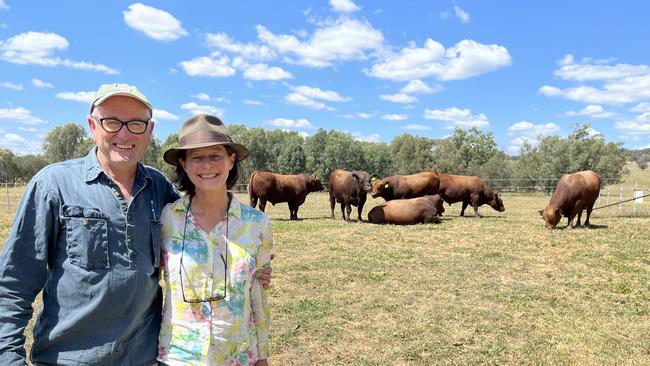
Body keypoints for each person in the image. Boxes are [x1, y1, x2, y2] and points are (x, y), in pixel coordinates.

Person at [0, 84, 272, 365]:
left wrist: (251, 263)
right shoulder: (53, 185)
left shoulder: (159, 189)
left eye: (136, 124)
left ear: (150, 130)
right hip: (69, 358)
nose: (125, 133)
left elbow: (200, 231)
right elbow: (12, 283)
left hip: (144, 357)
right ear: (93, 125)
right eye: (112, 121)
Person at [157, 114, 272, 366]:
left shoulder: (257, 224)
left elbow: (258, 296)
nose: (207, 165)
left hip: (239, 356)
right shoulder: (166, 220)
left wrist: (262, 355)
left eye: (215, 156)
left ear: (231, 161)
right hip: (178, 357)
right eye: (196, 157)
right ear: (184, 164)